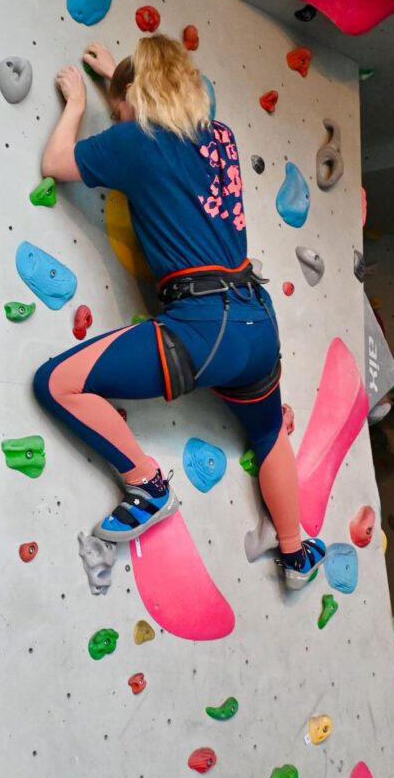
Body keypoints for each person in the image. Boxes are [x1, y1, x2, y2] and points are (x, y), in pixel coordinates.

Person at [33, 35, 324, 590]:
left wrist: (77, 103)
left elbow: (55, 162)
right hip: (256, 324)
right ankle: (296, 551)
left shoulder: (133, 141)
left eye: (118, 105)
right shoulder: (221, 139)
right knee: (267, 434)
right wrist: (114, 77)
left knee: (57, 384)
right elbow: (165, 117)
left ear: (131, 98)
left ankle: (147, 484)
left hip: (200, 325)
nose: (115, 115)